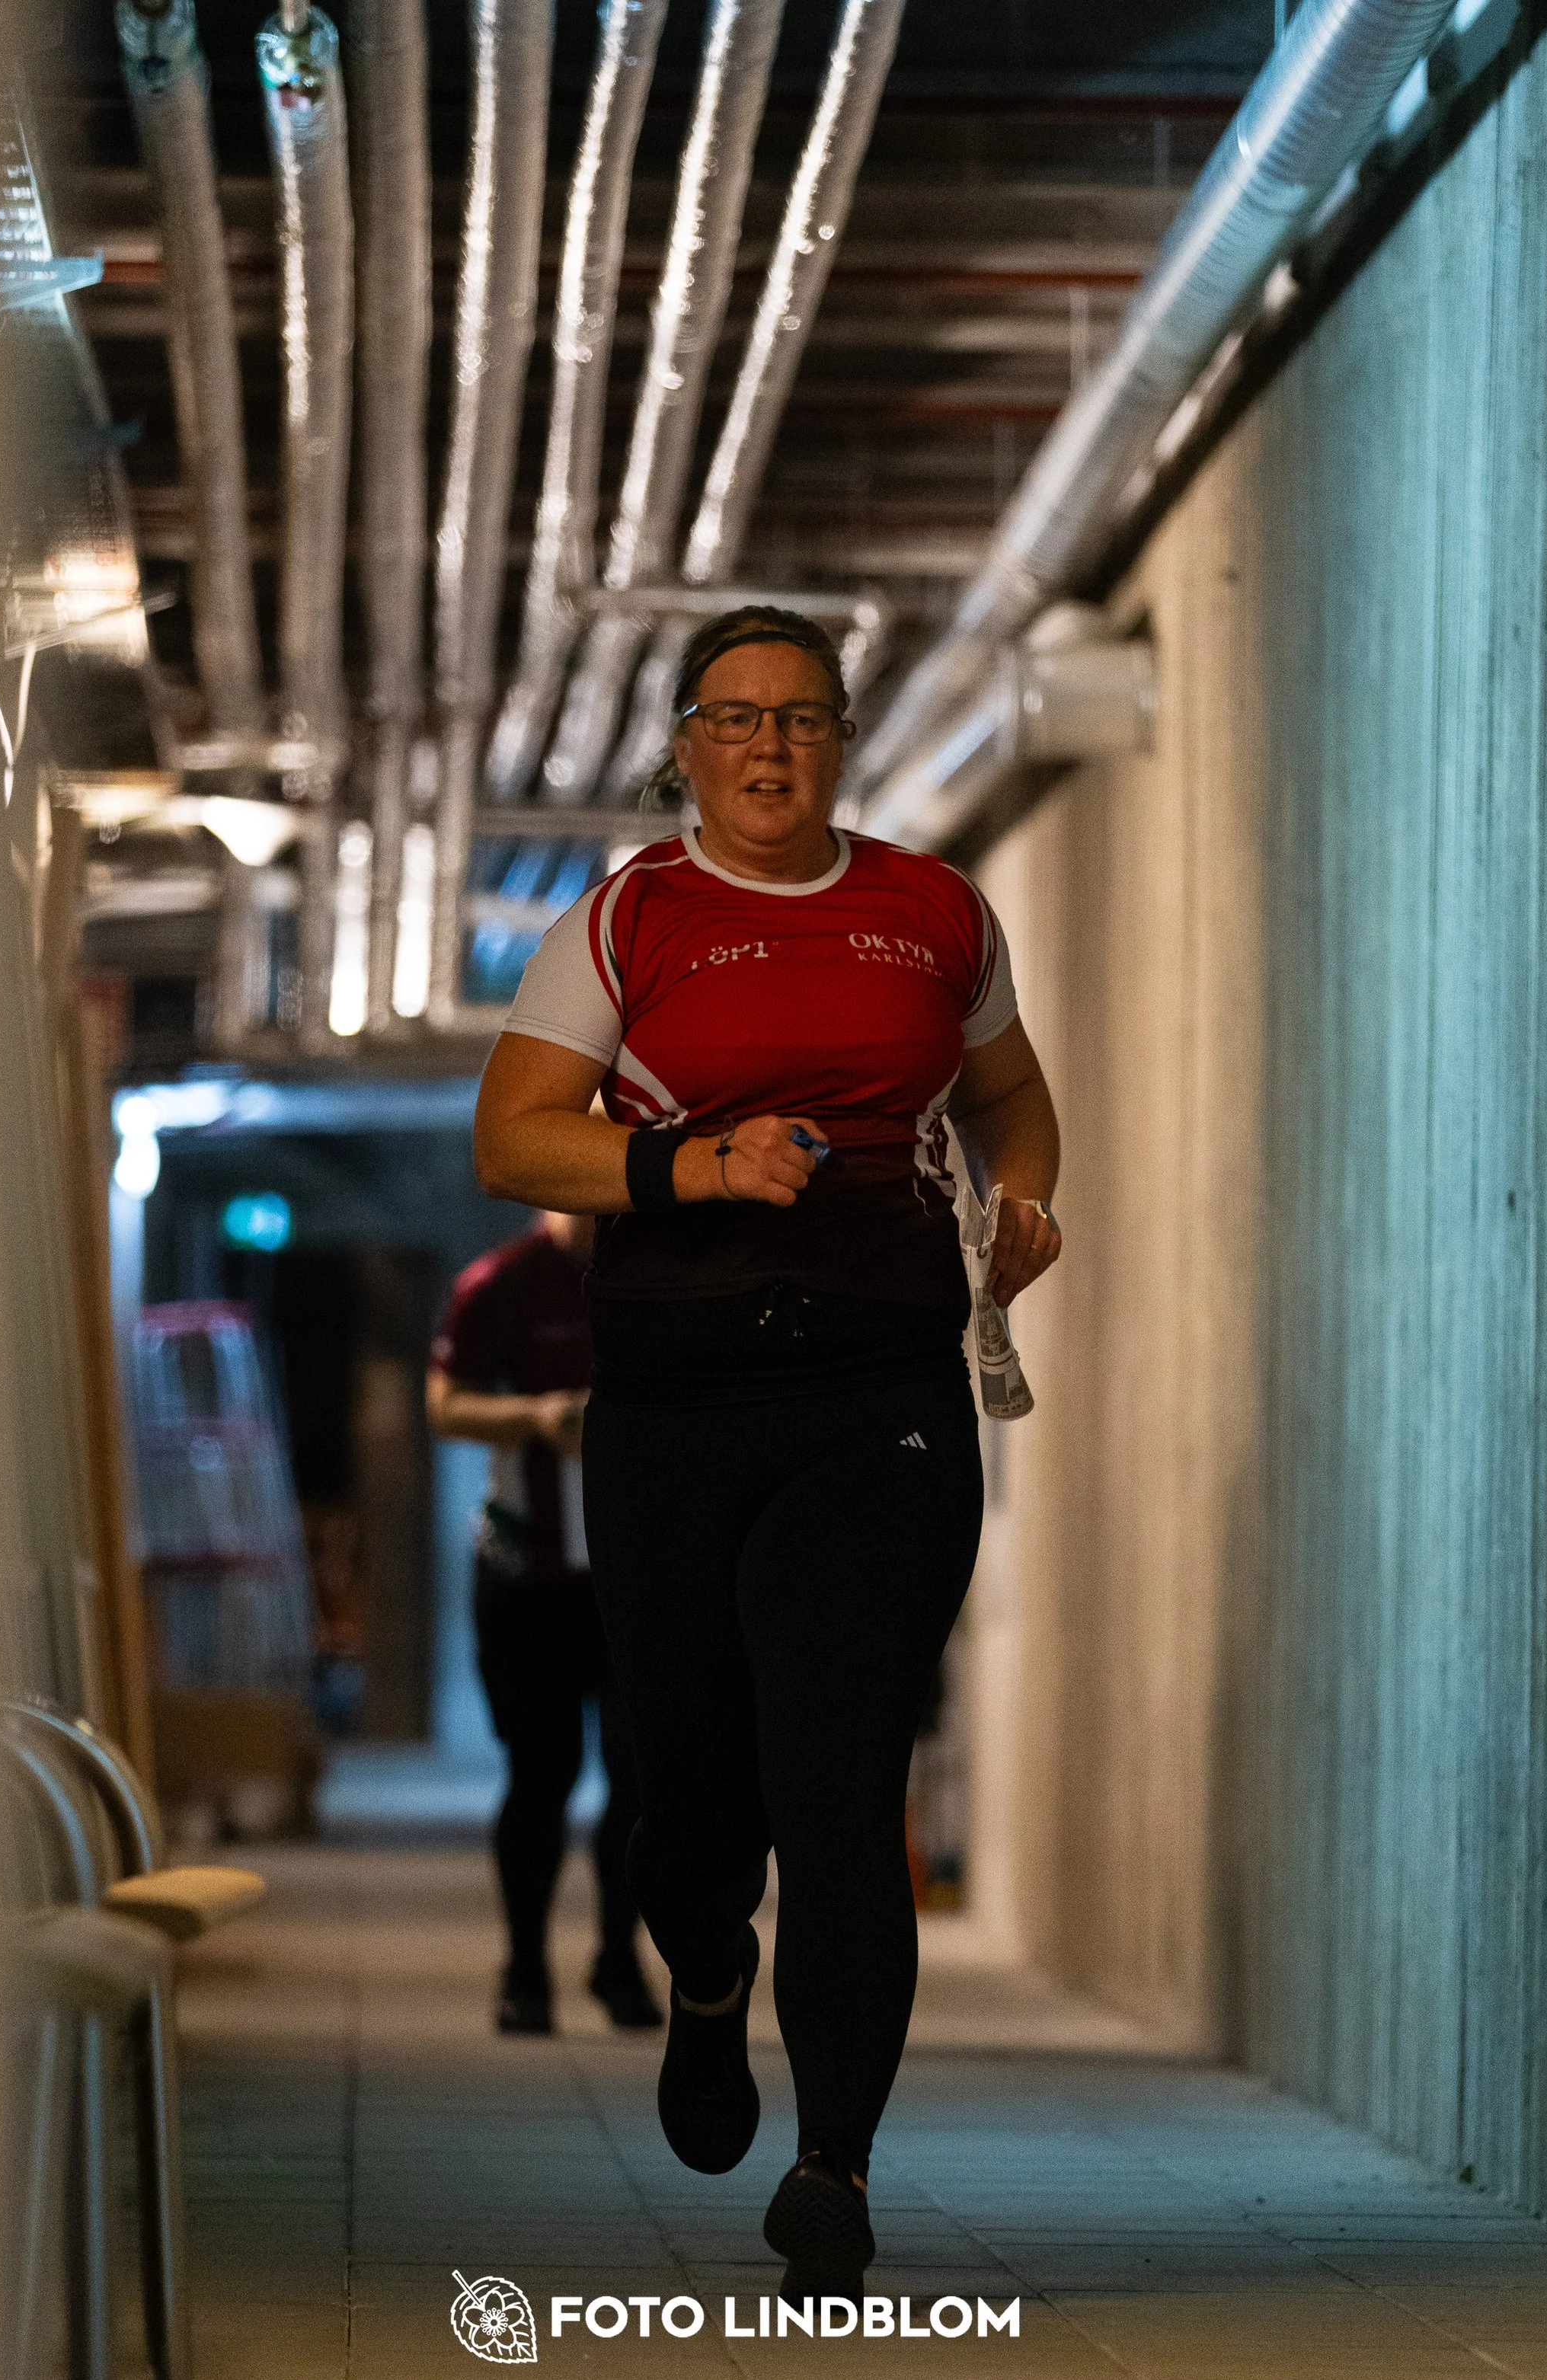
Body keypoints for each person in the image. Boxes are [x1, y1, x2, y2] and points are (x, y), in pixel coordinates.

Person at [471, 605, 1062, 2300]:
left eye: (799, 717)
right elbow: (513, 1136)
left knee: (839, 1771)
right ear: (685, 743)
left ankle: (834, 2165)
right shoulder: (624, 920)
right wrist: (691, 1171)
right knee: (693, 1793)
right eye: (734, 719)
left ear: (839, 735)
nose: (768, 748)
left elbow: (1009, 1096)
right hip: (670, 1400)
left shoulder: (932, 911)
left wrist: (1024, 1200)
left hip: (878, 1391)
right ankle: (706, 1968)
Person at [427, 1209, 661, 2036]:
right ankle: (525, 1966)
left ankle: (619, 1957)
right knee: (541, 1774)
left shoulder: (666, 1271)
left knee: (639, 1783)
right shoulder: (502, 1281)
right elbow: (444, 1404)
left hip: (642, 1572)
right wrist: (538, 1417)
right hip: (529, 1569)